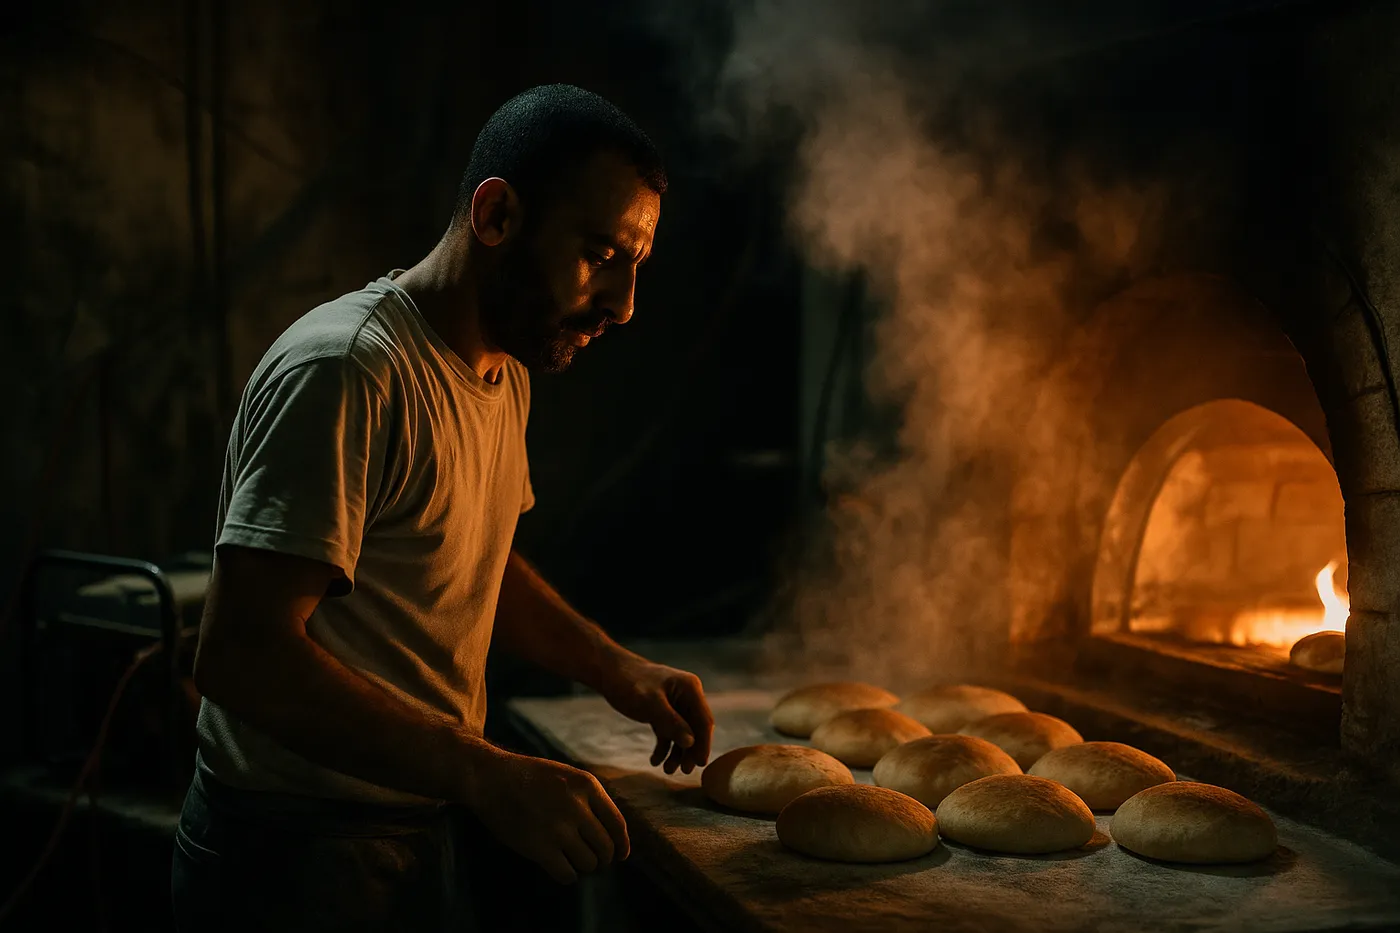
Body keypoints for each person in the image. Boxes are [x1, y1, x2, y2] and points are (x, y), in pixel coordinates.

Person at [170, 84, 715, 932]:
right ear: (496, 216)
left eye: (635, 266)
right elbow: (242, 657)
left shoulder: (504, 371)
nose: (624, 304)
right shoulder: (350, 369)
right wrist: (486, 772)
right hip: (287, 858)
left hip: (413, 828)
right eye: (602, 254)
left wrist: (616, 667)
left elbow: (471, 559)